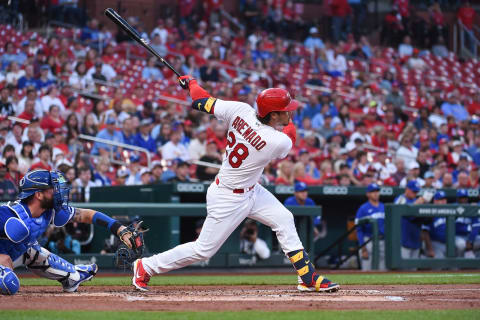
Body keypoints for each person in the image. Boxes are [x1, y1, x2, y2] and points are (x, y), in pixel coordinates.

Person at [132, 76, 339, 293]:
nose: (290, 113)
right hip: (228, 197)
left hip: (251, 189)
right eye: (285, 110)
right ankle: (145, 266)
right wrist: (285, 120)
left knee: (284, 218)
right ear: (274, 114)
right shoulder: (276, 140)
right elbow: (291, 133)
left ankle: (307, 276)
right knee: (203, 250)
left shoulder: (241, 109)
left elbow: (201, 102)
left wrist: (192, 83)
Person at [0, 170, 138, 295]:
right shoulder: (9, 215)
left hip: (15, 254)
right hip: (3, 258)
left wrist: (119, 228)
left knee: (33, 252)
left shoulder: (49, 211)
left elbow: (86, 215)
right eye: (52, 188)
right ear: (39, 194)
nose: (58, 191)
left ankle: (73, 276)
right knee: (9, 283)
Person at [394, 180, 433, 259]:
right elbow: (402, 212)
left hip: (415, 240)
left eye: (416, 192)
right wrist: (416, 204)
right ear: (407, 189)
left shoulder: (416, 200)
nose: (415, 194)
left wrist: (425, 204)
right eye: (413, 191)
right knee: (403, 270)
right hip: (403, 241)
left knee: (413, 270)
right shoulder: (400, 199)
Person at [355, 183, 386, 271]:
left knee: (383, 270)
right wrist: (363, 247)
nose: (376, 193)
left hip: (383, 241)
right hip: (368, 241)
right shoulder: (363, 208)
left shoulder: (384, 207)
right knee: (367, 270)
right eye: (373, 191)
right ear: (368, 194)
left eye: (377, 191)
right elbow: (359, 229)